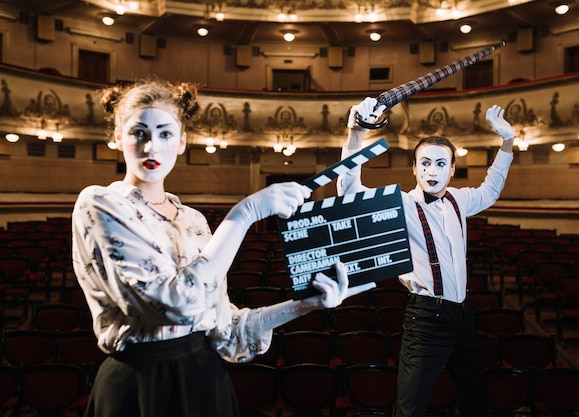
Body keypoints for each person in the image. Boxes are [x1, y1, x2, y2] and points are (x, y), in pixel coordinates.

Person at [71, 78, 374, 417]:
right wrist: (244, 214)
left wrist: (305, 304)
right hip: (141, 386)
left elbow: (226, 332)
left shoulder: (194, 221)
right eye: (138, 132)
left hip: (204, 377)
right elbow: (174, 306)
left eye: (165, 134)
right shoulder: (100, 203)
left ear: (182, 141)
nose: (151, 147)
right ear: (117, 138)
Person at [338, 98, 516, 417]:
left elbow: (491, 190)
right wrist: (355, 135)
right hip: (426, 319)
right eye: (424, 163)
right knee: (410, 407)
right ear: (414, 168)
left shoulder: (460, 200)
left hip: (463, 316)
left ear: (452, 169)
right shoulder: (400, 204)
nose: (431, 171)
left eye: (439, 164)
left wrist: (507, 142)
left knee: (476, 400)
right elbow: (348, 191)